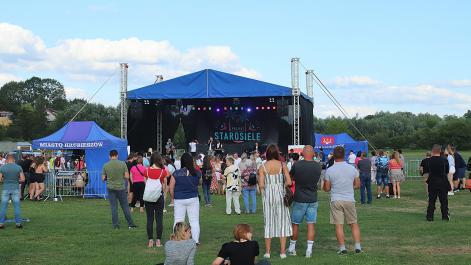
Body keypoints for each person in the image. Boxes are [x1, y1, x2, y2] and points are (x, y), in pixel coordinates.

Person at [323, 146, 362, 254]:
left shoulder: (330, 170)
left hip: (336, 199)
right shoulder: (352, 169)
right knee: (354, 223)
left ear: (333, 156)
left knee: (339, 225)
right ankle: (358, 247)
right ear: (344, 155)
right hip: (349, 199)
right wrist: (349, 187)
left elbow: (326, 188)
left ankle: (342, 248)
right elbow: (358, 185)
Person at [258, 144, 292, 259]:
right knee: (282, 222)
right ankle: (282, 252)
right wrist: (280, 184)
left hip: (268, 196)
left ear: (267, 154)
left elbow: (261, 185)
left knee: (268, 223)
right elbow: (289, 182)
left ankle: (267, 252)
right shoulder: (283, 165)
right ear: (277, 153)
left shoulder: (262, 167)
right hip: (281, 195)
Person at [287, 145, 321, 258]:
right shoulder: (318, 166)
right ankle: (309, 250)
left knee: (295, 224)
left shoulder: (297, 165)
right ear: (313, 153)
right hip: (312, 198)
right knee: (311, 225)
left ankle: (292, 249)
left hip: (299, 198)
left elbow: (290, 178)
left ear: (302, 153)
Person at [169, 153, 202, 244]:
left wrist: (173, 198)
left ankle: (178, 238)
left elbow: (171, 188)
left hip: (179, 199)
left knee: (178, 220)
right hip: (193, 198)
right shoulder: (197, 172)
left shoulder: (176, 173)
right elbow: (199, 183)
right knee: (194, 220)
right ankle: (195, 240)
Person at [102, 150, 137, 229]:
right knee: (125, 206)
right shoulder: (122, 164)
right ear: (117, 155)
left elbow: (103, 178)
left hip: (110, 188)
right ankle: (130, 224)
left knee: (114, 207)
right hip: (121, 188)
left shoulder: (105, 165)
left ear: (109, 156)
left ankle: (115, 225)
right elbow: (127, 177)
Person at [144, 152, 169, 247]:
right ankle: (158, 240)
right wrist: (164, 195)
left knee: (149, 219)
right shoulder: (163, 172)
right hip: (159, 196)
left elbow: (145, 183)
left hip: (149, 196)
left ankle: (150, 240)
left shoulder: (146, 170)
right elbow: (164, 185)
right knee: (159, 219)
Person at [0, 154, 25, 229]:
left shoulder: (2, 167)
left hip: (6, 188)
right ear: (14, 159)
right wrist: (16, 180)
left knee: (3, 207)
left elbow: (0, 179)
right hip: (15, 188)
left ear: (6, 160)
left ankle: (1, 223)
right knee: (16, 206)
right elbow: (23, 179)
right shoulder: (18, 167)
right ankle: (18, 223)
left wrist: (4, 180)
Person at [426, 144, 451, 221]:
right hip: (442, 182)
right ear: (440, 151)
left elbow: (427, 171)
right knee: (444, 200)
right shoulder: (444, 160)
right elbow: (447, 171)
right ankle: (445, 216)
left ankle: (430, 216)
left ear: (433, 151)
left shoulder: (429, 160)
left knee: (431, 200)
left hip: (432, 182)